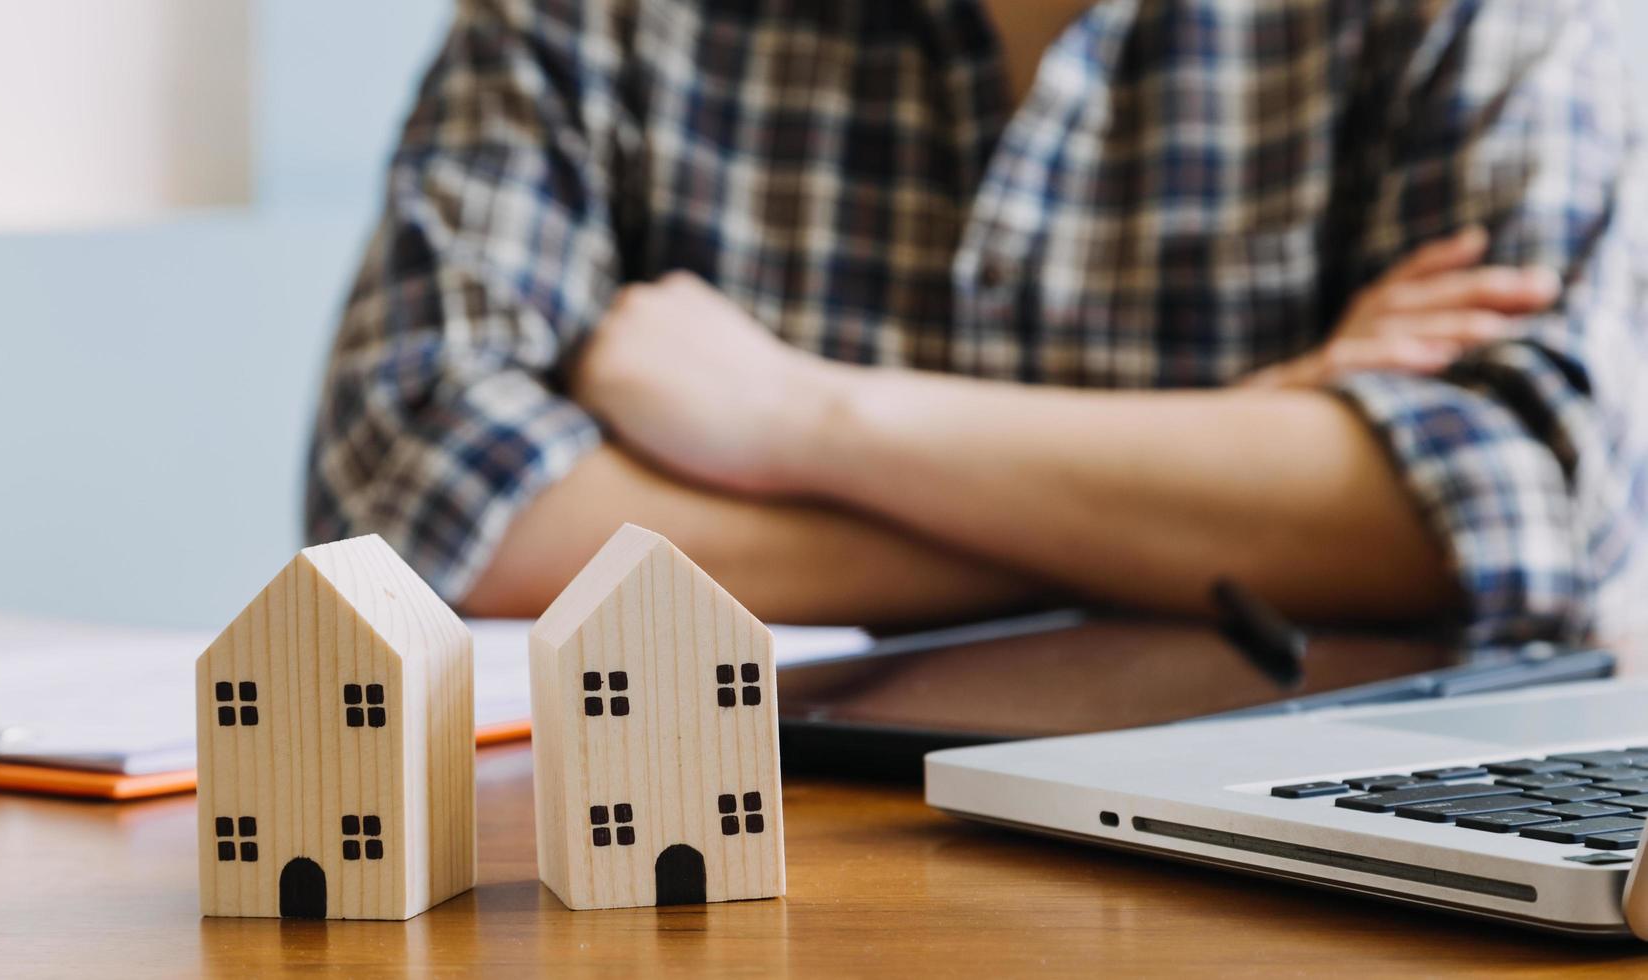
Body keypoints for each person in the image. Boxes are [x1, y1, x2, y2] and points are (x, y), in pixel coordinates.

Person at [306, 0, 1647, 647]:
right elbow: (428, 509)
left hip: (1300, 853)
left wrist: (800, 417)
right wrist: (1234, 457)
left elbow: (1512, 509)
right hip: (760, 852)